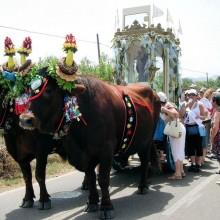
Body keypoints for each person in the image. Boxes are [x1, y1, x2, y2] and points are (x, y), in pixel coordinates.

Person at [183, 89, 207, 172]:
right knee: (190, 147)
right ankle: (193, 164)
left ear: (196, 96)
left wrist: (199, 117)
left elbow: (205, 116)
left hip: (197, 127)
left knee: (198, 146)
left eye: (193, 94)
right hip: (188, 127)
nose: (191, 96)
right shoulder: (186, 104)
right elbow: (182, 115)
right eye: (189, 95)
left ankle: (198, 164)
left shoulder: (200, 104)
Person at [161, 101, 186, 179]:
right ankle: (181, 171)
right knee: (180, 150)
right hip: (179, 128)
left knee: (176, 151)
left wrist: (164, 110)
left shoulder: (167, 106)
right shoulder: (169, 106)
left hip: (175, 129)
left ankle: (177, 174)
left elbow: (175, 115)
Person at [210, 92, 220, 183]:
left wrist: (212, 138)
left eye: (212, 100)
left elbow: (215, 127)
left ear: (215, 102)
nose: (211, 102)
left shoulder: (217, 112)